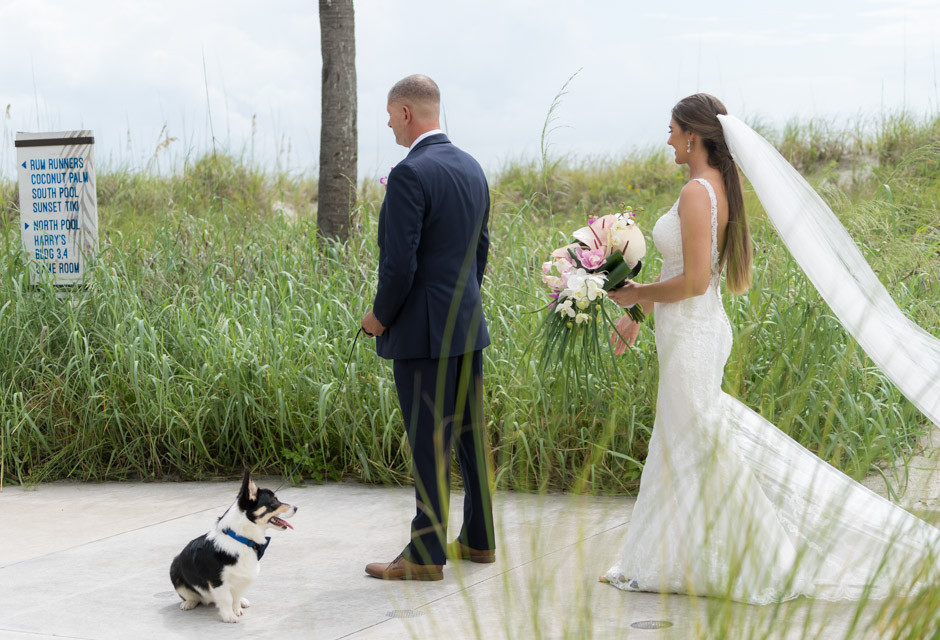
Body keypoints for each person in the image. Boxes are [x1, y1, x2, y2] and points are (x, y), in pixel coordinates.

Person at [601, 93, 940, 603]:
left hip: (692, 333)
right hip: (691, 330)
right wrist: (636, 314)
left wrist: (635, 295)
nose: (667, 139)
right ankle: (665, 559)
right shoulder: (715, 186)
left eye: (671, 130)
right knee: (681, 442)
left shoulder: (696, 192)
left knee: (700, 443)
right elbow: (683, 271)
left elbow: (694, 281)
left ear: (692, 135)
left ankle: (762, 564)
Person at [361, 74, 495, 581]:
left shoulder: (409, 174)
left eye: (389, 115)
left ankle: (424, 555)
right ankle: (479, 540)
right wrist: (462, 303)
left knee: (428, 442)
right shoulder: (472, 167)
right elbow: (480, 251)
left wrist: (380, 317)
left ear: (406, 113)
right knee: (469, 437)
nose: (388, 125)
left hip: (421, 333)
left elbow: (399, 266)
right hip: (466, 326)